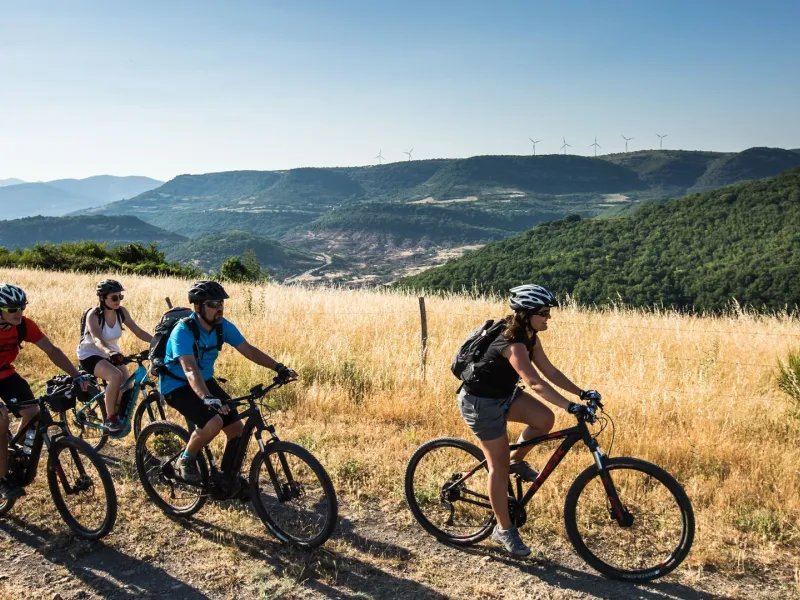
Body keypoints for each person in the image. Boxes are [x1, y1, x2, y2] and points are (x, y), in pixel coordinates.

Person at [457, 284, 602, 557]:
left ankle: (517, 461)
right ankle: (503, 530)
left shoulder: (529, 335)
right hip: (480, 404)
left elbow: (549, 371)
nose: (549, 317)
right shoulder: (512, 344)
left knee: (544, 419)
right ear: (526, 314)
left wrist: (581, 392)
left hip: (503, 395)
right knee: (497, 468)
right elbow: (535, 382)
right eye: (544, 313)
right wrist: (572, 407)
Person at [159, 280, 297, 485]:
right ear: (198, 307)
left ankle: (226, 480)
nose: (219, 308)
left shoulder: (222, 326)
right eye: (213, 304)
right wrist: (207, 397)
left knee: (236, 429)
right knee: (213, 421)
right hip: (177, 385)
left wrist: (278, 367)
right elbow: (189, 369)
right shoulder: (183, 331)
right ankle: (186, 459)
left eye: (221, 303)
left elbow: (248, 350)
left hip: (203, 380)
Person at [0, 284, 88, 500]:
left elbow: (52, 350)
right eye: (12, 309)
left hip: (6, 374)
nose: (19, 313)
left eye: (21, 307)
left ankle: (14, 456)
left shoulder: (23, 326)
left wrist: (76, 374)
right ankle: (1, 480)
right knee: (0, 422)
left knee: (33, 413)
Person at [77, 279, 153, 433]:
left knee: (127, 383)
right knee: (115, 376)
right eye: (114, 297)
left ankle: (116, 411)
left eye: (120, 297)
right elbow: (97, 339)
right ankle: (110, 418)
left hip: (111, 354)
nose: (118, 300)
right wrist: (110, 352)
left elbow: (138, 331)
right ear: (103, 298)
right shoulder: (94, 314)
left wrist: (157, 342)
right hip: (90, 355)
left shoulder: (121, 312)